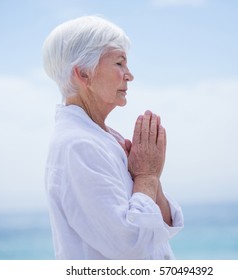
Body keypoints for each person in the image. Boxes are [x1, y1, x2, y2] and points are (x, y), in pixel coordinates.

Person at [42, 15, 183, 260]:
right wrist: (147, 176)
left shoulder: (101, 138)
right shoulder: (78, 145)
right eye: (119, 63)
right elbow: (132, 247)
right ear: (84, 74)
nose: (129, 75)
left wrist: (147, 178)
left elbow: (162, 227)